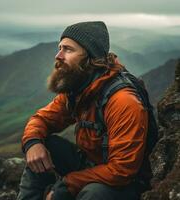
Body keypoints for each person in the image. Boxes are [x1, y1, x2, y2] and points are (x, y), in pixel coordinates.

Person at [17, 21, 151, 200]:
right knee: (44, 146)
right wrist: (32, 143)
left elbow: (122, 170)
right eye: (59, 48)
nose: (58, 56)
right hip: (92, 166)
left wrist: (66, 185)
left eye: (68, 50)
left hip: (125, 183)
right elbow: (42, 119)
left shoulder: (123, 101)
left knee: (93, 193)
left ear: (91, 58)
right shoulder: (79, 88)